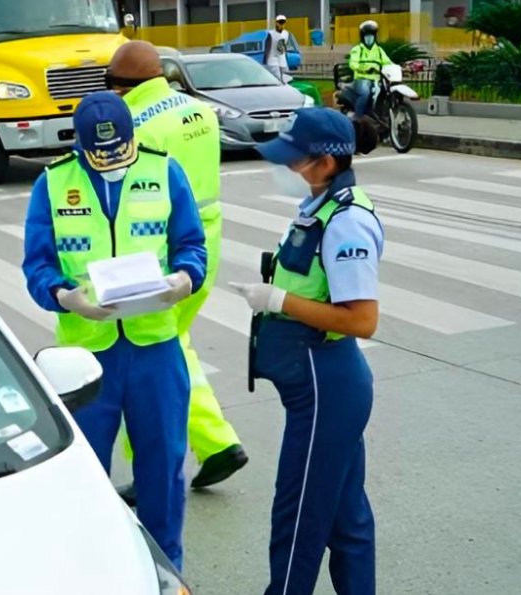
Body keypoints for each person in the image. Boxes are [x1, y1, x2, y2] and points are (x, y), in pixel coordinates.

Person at [22, 91, 206, 569]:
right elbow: (37, 265)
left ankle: (166, 571)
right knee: (84, 475)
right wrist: (66, 296)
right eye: (100, 154)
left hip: (155, 347)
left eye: (119, 151)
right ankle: (95, 570)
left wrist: (185, 279)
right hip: (86, 357)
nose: (112, 162)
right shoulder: (53, 183)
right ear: (81, 146)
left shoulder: (164, 172)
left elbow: (192, 245)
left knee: (163, 470)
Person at [229, 108, 381, 595]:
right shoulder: (320, 206)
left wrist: (278, 301)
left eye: (296, 159)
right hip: (321, 382)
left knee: (299, 518)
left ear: (326, 163)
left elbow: (362, 320)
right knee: (345, 517)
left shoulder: (346, 222)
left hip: (326, 383)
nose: (287, 167)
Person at [106, 40, 247, 503]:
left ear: (120, 86)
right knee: (173, 342)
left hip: (162, 247)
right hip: (207, 239)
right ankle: (217, 443)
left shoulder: (134, 124)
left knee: (143, 354)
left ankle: (151, 469)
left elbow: (129, 194)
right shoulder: (198, 110)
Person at [348, 20, 392, 118]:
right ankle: (358, 117)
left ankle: (381, 115)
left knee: (387, 92)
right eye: (366, 35)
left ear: (375, 36)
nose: (369, 38)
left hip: (377, 80)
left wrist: (402, 67)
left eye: (371, 35)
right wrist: (364, 69)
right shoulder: (357, 49)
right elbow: (353, 64)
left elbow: (388, 62)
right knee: (365, 93)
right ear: (362, 37)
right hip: (362, 79)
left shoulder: (379, 50)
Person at [264, 14, 296, 82]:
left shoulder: (286, 33)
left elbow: (284, 48)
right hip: (272, 61)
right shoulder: (271, 34)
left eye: (283, 22)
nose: (281, 24)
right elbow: (267, 47)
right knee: (277, 79)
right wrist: (265, 61)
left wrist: (286, 58)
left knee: (287, 79)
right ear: (276, 23)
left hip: (282, 60)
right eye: (280, 22)